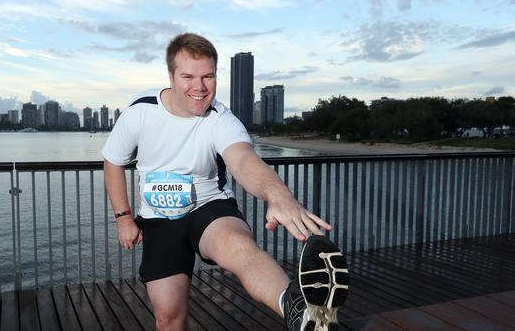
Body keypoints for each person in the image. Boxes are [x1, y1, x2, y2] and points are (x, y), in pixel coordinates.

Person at [103, 33, 348, 331]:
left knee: (238, 246)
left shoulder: (221, 118)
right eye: (188, 76)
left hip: (209, 207)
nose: (200, 87)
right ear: (170, 76)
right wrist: (123, 218)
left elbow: (243, 159)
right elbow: (113, 161)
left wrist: (278, 195)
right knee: (167, 316)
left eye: (208, 76)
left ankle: (300, 312)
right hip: (159, 218)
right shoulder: (140, 112)